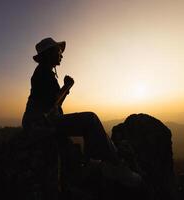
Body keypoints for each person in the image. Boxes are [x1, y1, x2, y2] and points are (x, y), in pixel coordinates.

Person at [22, 37, 143, 187]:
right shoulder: (42, 73)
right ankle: (116, 166)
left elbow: (52, 103)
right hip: (39, 124)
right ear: (49, 53)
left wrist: (65, 88)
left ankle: (97, 162)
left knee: (86, 125)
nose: (61, 54)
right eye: (58, 51)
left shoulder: (44, 72)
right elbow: (53, 102)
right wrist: (67, 86)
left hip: (41, 122)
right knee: (90, 119)